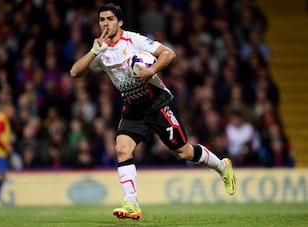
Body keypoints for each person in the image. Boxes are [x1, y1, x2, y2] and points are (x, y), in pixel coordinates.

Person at [70, 3, 237, 220]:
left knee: (182, 152)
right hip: (133, 107)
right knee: (122, 148)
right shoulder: (100, 51)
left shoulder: (133, 39)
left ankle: (222, 166)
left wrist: (151, 71)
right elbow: (75, 72)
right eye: (102, 20)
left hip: (157, 103)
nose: (105, 24)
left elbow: (169, 54)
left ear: (120, 22)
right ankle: (131, 203)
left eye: (110, 19)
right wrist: (94, 51)